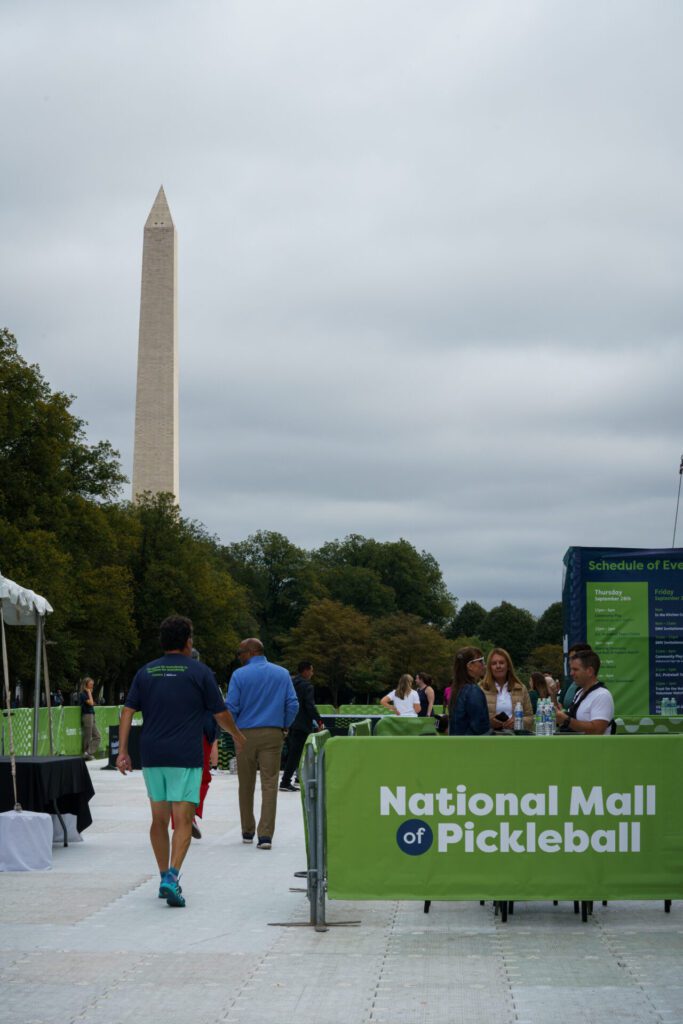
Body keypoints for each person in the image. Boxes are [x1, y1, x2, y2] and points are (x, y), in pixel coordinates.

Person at [116, 616, 245, 907]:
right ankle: (171, 876)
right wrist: (236, 734)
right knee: (184, 819)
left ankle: (163, 874)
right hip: (185, 756)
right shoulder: (200, 673)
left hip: (152, 755)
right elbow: (220, 713)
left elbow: (127, 712)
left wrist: (123, 751)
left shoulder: (145, 672)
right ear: (188, 641)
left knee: (158, 819)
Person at [226, 638, 299, 850]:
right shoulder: (282, 673)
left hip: (244, 734)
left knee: (245, 783)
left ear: (250, 652)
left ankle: (247, 830)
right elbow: (293, 704)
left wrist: (233, 731)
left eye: (240, 653)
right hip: (273, 733)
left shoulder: (239, 675)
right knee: (269, 784)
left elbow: (231, 706)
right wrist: (285, 725)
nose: (239, 657)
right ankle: (265, 835)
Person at [280, 661, 322, 792]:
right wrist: (319, 720)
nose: (312, 673)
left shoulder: (291, 683)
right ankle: (286, 781)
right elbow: (309, 705)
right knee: (296, 753)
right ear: (306, 670)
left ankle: (296, 778)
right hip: (302, 724)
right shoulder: (307, 686)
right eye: (311, 670)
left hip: (289, 722)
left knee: (293, 752)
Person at [555, 650, 615, 735]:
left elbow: (597, 730)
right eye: (571, 669)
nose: (571, 673)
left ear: (590, 671)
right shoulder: (580, 692)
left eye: (575, 669)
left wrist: (566, 720)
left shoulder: (602, 695)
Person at [481, 648, 533, 731]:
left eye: (501, 663)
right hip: (490, 739)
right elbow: (474, 719)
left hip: (515, 738)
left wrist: (518, 722)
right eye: (494, 663)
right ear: (489, 668)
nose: (498, 666)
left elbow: (530, 718)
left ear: (508, 666)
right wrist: (489, 723)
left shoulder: (521, 688)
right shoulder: (481, 689)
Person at [447, 647, 490, 735]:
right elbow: (479, 727)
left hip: (457, 745)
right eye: (480, 661)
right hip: (472, 746)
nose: (484, 665)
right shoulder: (473, 691)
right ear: (470, 666)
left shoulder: (457, 689)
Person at [79, 677, 101, 760]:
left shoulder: (87, 693)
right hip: (87, 715)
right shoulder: (83, 694)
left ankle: (87, 752)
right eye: (91, 684)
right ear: (86, 684)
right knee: (87, 736)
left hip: (91, 715)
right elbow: (91, 703)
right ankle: (86, 754)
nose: (92, 685)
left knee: (97, 736)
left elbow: (92, 703)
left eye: (93, 684)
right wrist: (89, 692)